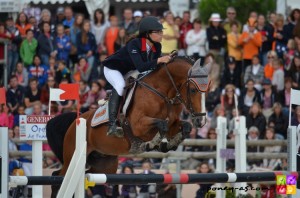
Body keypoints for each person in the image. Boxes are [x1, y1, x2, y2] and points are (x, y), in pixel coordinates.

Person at [102, 16, 172, 137]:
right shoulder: (135, 44)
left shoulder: (157, 46)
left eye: (161, 31)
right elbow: (141, 67)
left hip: (129, 70)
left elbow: (152, 68)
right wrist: (160, 59)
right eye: (158, 32)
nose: (161, 34)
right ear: (147, 34)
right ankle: (112, 124)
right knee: (120, 85)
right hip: (113, 68)